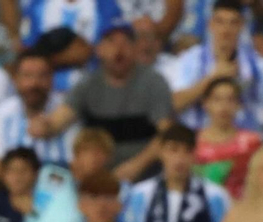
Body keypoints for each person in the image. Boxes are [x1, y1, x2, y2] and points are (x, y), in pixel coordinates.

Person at [39, 21, 173, 181]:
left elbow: (167, 133)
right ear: (99, 50)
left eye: (126, 42)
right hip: (98, 177)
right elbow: (57, 121)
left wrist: (136, 166)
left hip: (147, 175)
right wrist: (43, 125)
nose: (119, 49)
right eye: (111, 42)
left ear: (135, 48)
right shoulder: (88, 84)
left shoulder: (153, 82)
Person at [168, 0, 263, 138]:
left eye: (233, 23)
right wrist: (213, 78)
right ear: (210, 25)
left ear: (241, 26)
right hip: (200, 145)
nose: (225, 30)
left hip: (244, 144)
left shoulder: (257, 65)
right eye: (220, 22)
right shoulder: (191, 60)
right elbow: (174, 104)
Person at [0, 51, 73, 174]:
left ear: (52, 78)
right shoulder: (0, 114)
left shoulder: (69, 109)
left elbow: (77, 162)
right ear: (15, 79)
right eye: (27, 76)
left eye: (42, 76)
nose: (34, 83)